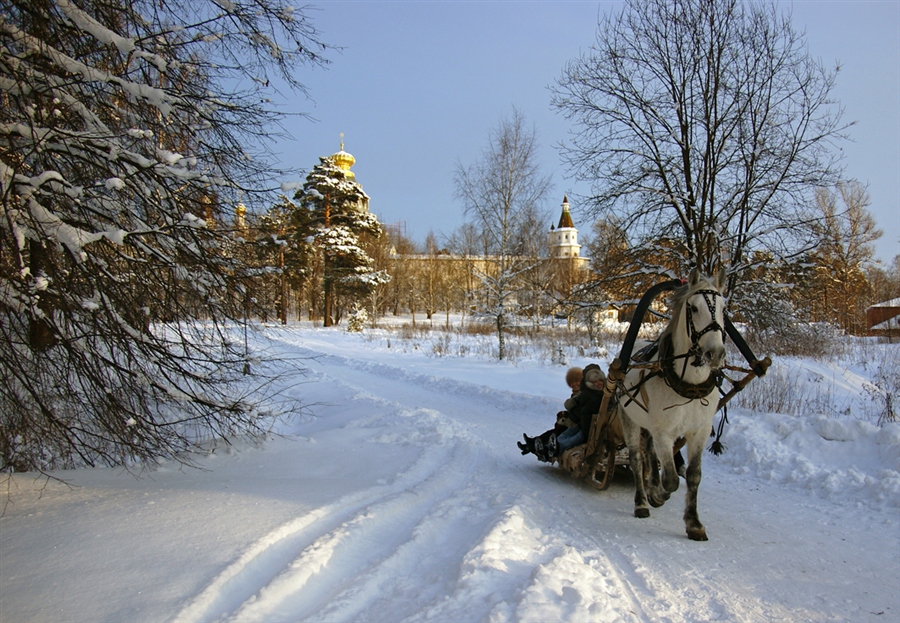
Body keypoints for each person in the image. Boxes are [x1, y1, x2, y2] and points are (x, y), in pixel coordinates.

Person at [518, 363, 606, 462]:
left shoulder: (590, 393)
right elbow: (572, 407)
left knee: (563, 433)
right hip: (578, 422)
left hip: (580, 423)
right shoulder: (585, 393)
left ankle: (539, 446)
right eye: (572, 383)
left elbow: (582, 411)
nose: (574, 384)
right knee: (559, 433)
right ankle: (538, 446)